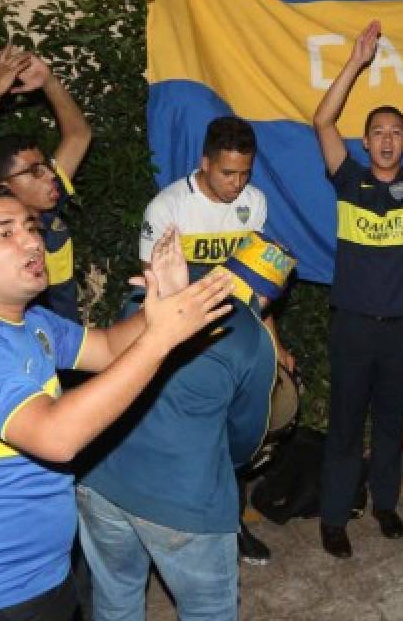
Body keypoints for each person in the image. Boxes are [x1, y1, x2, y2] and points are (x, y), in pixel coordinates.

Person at [0, 186, 233, 620]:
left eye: (30, 226)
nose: (31, 241)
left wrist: (163, 304)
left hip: (46, 573)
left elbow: (111, 348)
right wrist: (160, 339)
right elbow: (56, 437)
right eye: (4, 233)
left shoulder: (27, 321)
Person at [76, 233, 295, 621]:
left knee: (116, 596)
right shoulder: (251, 338)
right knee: (207, 610)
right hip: (183, 502)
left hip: (100, 478)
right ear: (269, 298)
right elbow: (248, 435)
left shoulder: (148, 300)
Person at [313, 20, 403, 558]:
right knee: (344, 424)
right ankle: (334, 514)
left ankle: (385, 503)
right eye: (379, 134)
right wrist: (356, 61)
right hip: (353, 327)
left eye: (396, 134)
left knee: (391, 421)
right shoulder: (348, 180)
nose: (388, 140)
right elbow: (322, 119)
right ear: (365, 143)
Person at [136, 114, 285, 564]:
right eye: (227, 172)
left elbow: (259, 288)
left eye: (245, 172)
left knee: (234, 437)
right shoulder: (167, 209)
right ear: (204, 161)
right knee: (186, 441)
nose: (237, 184)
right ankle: (170, 526)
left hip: (237, 344)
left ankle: (230, 526)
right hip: (182, 347)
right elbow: (150, 290)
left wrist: (274, 346)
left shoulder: (255, 203)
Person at [0, 44, 93, 320]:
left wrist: (49, 81)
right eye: (35, 171)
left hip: (66, 346)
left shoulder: (47, 208)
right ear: (5, 189)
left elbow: (79, 135)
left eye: (46, 167)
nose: (51, 175)